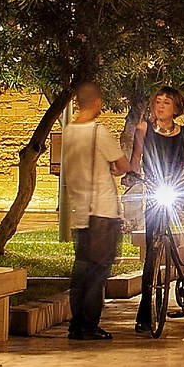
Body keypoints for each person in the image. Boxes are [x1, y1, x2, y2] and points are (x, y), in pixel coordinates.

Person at [121, 87, 184, 334]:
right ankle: (144, 314)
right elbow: (136, 159)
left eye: (167, 102)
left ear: (176, 108)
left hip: (179, 189)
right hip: (154, 192)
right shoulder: (144, 129)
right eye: (158, 101)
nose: (161, 106)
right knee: (152, 252)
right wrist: (131, 176)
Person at [59, 84, 126, 341]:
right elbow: (122, 164)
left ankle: (76, 324)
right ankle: (88, 325)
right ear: (97, 102)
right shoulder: (99, 133)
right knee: (98, 271)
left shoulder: (68, 133)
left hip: (80, 212)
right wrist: (114, 169)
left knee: (81, 271)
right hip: (103, 212)